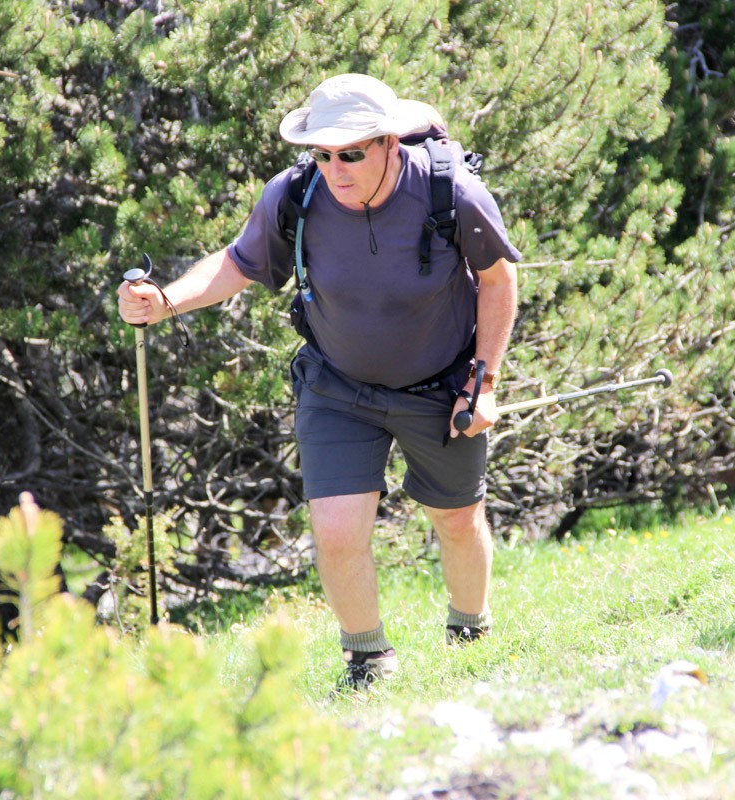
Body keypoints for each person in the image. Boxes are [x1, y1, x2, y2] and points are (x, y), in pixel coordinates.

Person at [118, 73, 521, 691]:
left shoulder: (451, 193)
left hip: (441, 385)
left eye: (351, 154)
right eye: (323, 153)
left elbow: (497, 281)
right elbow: (239, 263)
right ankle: (368, 662)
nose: (335, 169)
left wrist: (482, 384)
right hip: (338, 386)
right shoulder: (296, 194)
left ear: (389, 143)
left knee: (458, 520)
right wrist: (165, 301)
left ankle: (470, 633)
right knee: (334, 531)